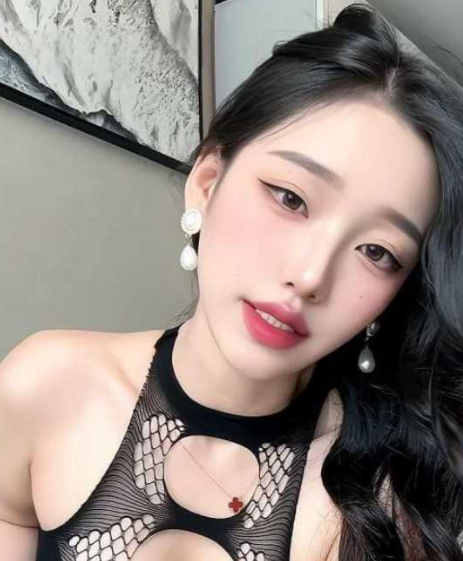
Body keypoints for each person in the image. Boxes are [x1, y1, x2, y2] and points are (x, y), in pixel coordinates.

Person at [1, 2, 463, 560]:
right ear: (207, 182)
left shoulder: (382, 497)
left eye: (377, 252)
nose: (309, 276)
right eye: (290, 198)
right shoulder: (47, 384)